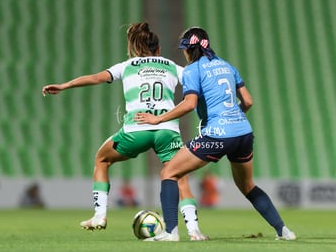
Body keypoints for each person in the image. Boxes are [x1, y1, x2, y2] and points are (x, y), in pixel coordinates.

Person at [42, 22, 206, 240]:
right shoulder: (171, 66)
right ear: (158, 49)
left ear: (137, 48)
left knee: (102, 159)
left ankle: (100, 216)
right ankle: (194, 231)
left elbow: (95, 78)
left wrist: (64, 85)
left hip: (136, 129)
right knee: (180, 177)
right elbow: (200, 85)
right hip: (166, 128)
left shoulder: (127, 66)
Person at [135, 26, 296, 241]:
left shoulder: (192, 70)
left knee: (169, 173)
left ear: (189, 50)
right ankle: (284, 231)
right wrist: (233, 118)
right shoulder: (227, 66)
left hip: (218, 135)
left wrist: (158, 118)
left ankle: (171, 232)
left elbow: (189, 104)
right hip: (244, 133)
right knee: (248, 186)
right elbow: (248, 101)